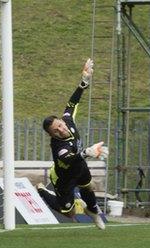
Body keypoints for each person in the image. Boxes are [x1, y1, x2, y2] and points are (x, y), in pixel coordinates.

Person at [36, 58, 107, 230]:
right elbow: (70, 159)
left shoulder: (68, 120)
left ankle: (93, 212)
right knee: (69, 212)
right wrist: (87, 152)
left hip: (79, 166)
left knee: (88, 187)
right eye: (55, 131)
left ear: (62, 120)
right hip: (63, 178)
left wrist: (84, 81)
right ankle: (42, 191)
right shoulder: (58, 147)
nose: (61, 130)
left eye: (59, 125)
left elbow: (72, 103)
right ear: (52, 135)